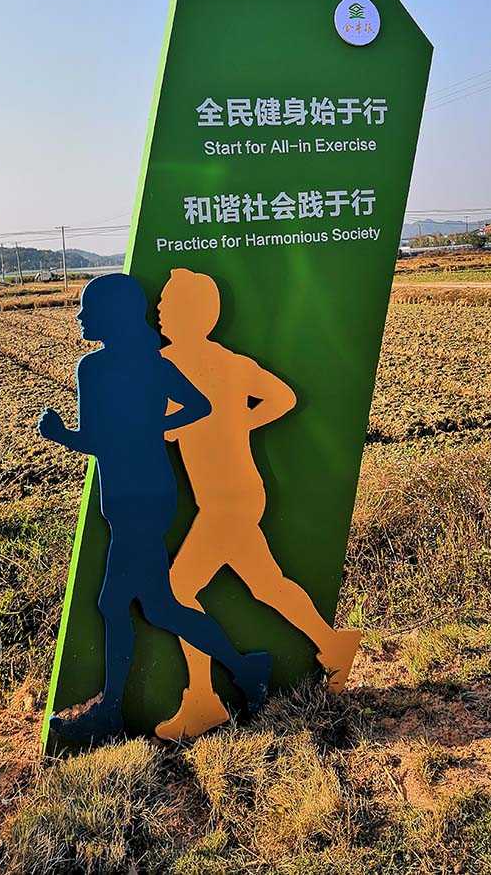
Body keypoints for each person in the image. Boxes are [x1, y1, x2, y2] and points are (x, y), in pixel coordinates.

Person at [37, 273, 272, 744]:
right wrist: (153, 429)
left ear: (113, 316)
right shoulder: (152, 362)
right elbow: (199, 406)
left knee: (116, 604)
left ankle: (110, 712)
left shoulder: (94, 369)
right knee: (159, 607)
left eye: (88, 308)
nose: (80, 317)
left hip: (130, 500)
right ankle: (246, 669)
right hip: (154, 494)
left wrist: (58, 434)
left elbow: (96, 441)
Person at [155, 268, 361, 741]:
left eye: (168, 303)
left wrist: (194, 425)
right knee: (267, 585)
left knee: (178, 590)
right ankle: (333, 645)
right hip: (241, 493)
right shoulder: (231, 362)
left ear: (191, 313)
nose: (159, 310)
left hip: (224, 501)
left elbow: (164, 424)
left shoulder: (172, 363)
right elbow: (282, 398)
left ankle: (204, 699)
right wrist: (239, 422)